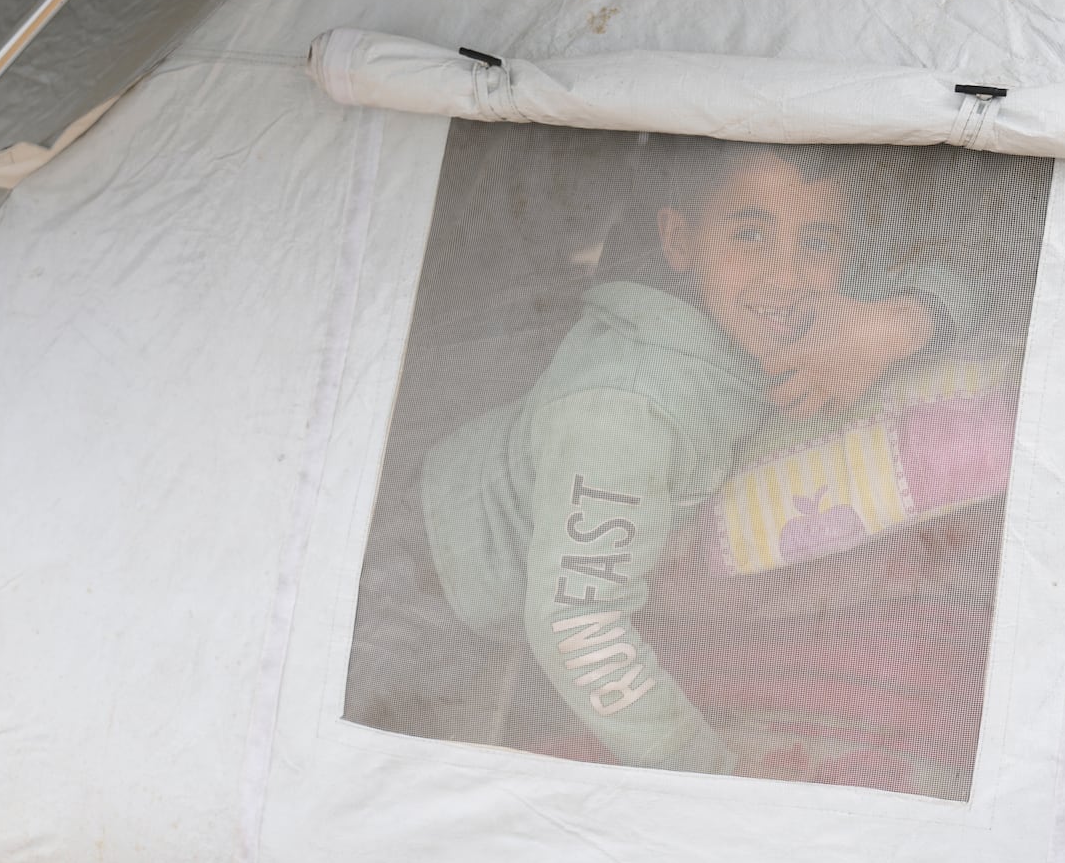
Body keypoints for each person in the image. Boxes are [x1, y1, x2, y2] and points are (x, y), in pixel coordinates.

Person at [347, 138, 976, 776]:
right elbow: (578, 626)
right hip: (428, 585)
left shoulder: (775, 328)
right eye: (750, 235)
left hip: (521, 574)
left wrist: (905, 322)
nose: (786, 276)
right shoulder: (623, 413)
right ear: (680, 241)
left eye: (818, 241)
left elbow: (979, 290)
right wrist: (707, 781)